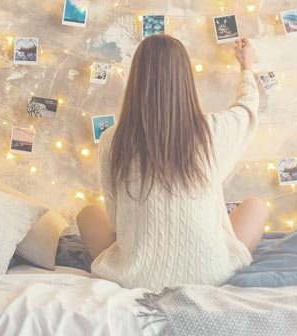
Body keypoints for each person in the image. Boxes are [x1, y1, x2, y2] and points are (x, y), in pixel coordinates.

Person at [76, 34, 269, 290]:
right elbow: (246, 108)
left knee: (87, 214)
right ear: (184, 79)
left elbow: (115, 221)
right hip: (211, 271)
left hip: (135, 274)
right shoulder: (211, 130)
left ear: (136, 80)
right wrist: (246, 67)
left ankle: (147, 262)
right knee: (257, 206)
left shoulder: (114, 138)